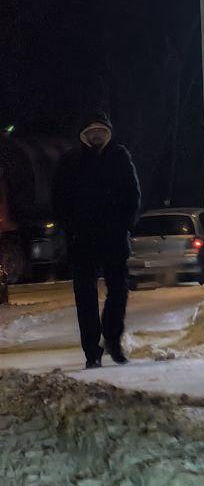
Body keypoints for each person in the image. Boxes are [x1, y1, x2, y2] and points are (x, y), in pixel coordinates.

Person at [53, 112, 140, 368]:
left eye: (101, 131)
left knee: (119, 290)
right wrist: (69, 229)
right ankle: (92, 351)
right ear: (83, 135)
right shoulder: (70, 160)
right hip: (82, 239)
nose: (96, 136)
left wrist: (125, 225)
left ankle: (112, 339)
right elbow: (58, 199)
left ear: (108, 133)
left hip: (114, 236)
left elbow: (133, 195)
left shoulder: (119, 156)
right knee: (85, 296)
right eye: (91, 132)